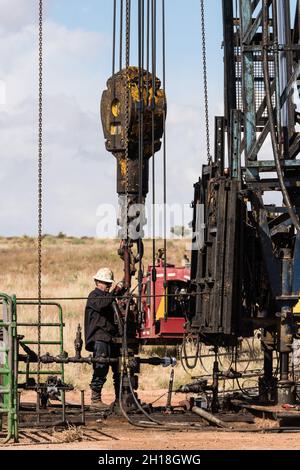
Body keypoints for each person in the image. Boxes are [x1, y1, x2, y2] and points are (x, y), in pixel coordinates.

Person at [84, 267, 121, 410]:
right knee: (101, 366)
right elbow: (103, 304)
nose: (107, 286)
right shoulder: (94, 296)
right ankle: (95, 400)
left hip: (110, 337)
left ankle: (119, 398)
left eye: (109, 284)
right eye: (106, 284)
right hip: (100, 337)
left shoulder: (107, 297)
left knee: (118, 368)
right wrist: (115, 292)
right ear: (97, 282)